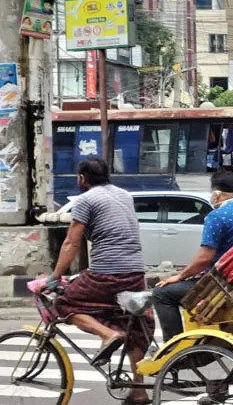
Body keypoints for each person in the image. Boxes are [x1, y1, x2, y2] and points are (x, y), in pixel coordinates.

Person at [44, 159, 153, 405]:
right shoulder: (125, 195)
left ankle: (107, 335)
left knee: (62, 303)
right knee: (137, 326)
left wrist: (53, 278)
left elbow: (71, 242)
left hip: (107, 272)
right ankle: (139, 391)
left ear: (82, 178)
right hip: (135, 272)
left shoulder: (84, 200)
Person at [153, 171, 233, 343]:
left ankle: (173, 345)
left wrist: (180, 276)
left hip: (220, 285)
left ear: (216, 194)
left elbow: (203, 259)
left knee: (162, 293)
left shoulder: (218, 216)